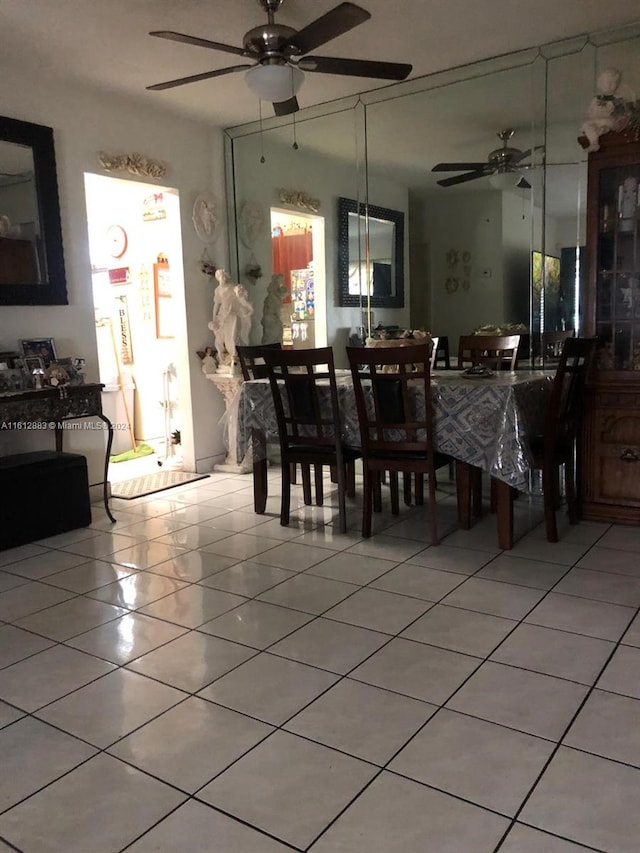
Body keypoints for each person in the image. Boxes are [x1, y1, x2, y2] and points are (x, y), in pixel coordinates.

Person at [261, 273, 288, 344]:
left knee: (276, 337)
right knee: (272, 338)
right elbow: (275, 310)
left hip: (272, 319)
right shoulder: (272, 297)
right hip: (271, 319)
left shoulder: (273, 297)